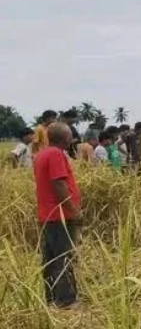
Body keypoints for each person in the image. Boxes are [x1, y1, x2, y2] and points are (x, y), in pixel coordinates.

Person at [33, 122, 81, 308]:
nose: (71, 139)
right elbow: (59, 185)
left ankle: (52, 298)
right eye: (70, 136)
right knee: (64, 257)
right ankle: (66, 301)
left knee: (51, 259)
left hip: (47, 215)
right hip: (60, 216)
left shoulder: (42, 153)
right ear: (66, 138)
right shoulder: (55, 154)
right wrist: (74, 210)